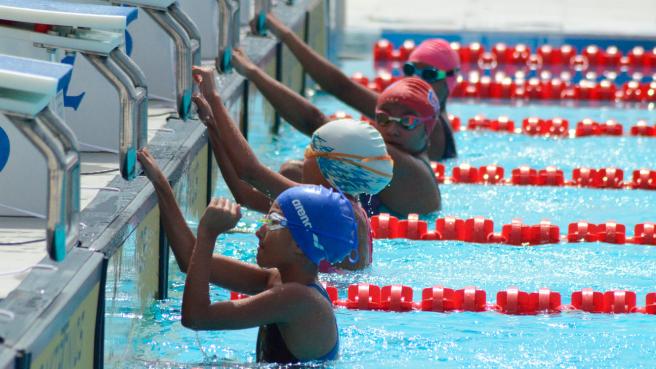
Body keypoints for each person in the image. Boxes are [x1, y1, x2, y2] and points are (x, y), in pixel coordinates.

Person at [188, 66, 393, 269]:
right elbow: (246, 195)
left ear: (330, 168)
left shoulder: (330, 209)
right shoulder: (341, 206)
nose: (303, 158)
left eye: (310, 151)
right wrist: (213, 127)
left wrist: (214, 97)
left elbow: (250, 172)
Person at [231, 51, 442, 215]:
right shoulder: (387, 159)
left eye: (408, 122)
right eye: (384, 119)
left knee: (295, 172)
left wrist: (253, 72)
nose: (392, 129)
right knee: (296, 171)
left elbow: (317, 123)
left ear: (428, 129)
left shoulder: (410, 170)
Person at [178, 185, 357, 363]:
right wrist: (161, 184)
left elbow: (196, 317)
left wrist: (208, 233)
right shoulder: (279, 280)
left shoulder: (298, 299)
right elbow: (190, 260)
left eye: (272, 222)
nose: (259, 231)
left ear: (299, 245)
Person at [253, 14, 458, 161]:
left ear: (450, 80)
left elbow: (341, 89)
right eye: (410, 69)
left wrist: (286, 36)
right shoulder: (417, 116)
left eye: (430, 74)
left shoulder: (428, 122)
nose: (417, 78)